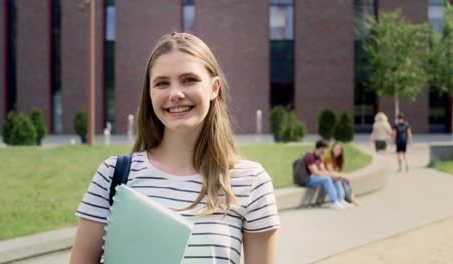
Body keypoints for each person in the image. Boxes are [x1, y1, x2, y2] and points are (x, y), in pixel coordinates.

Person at [69, 32, 280, 264]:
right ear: (150, 94)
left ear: (214, 88)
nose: (175, 94)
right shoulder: (113, 175)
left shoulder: (250, 181)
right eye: (162, 83)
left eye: (189, 80)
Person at [303, 140, 352, 210]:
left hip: (315, 178)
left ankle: (340, 200)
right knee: (327, 179)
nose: (326, 150)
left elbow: (324, 171)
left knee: (334, 178)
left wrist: (336, 176)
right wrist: (333, 176)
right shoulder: (309, 157)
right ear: (321, 148)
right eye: (325, 148)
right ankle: (333, 202)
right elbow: (315, 172)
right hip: (307, 179)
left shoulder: (318, 157)